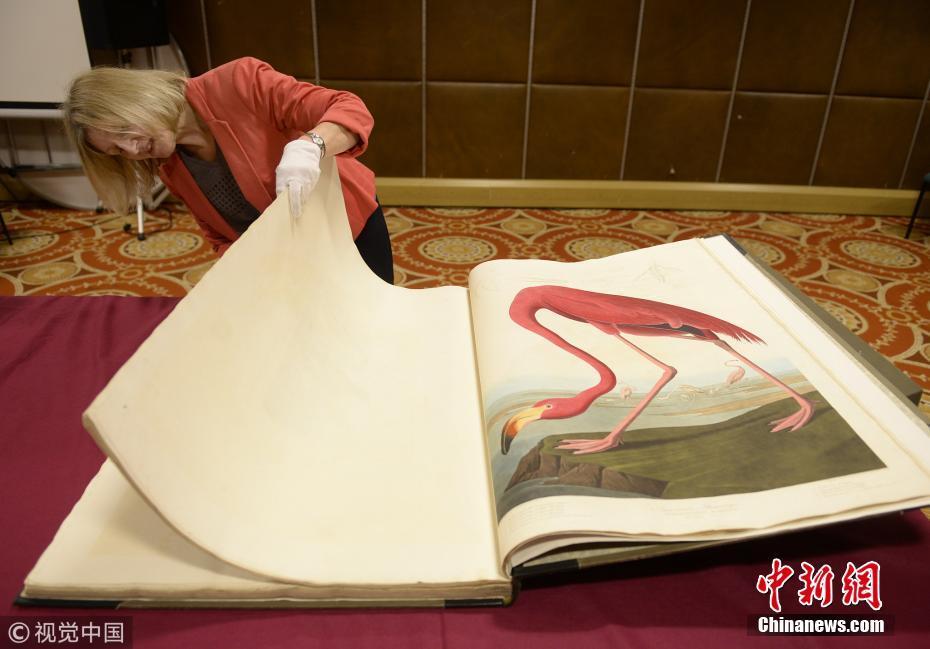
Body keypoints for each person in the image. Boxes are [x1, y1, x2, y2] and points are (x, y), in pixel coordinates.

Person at [61, 56, 394, 283]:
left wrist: (311, 146)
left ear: (136, 99)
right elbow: (220, 234)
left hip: (346, 229)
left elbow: (349, 108)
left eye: (123, 130)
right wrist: (242, 273)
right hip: (286, 264)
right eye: (118, 150)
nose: (132, 151)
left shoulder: (239, 82)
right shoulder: (170, 165)